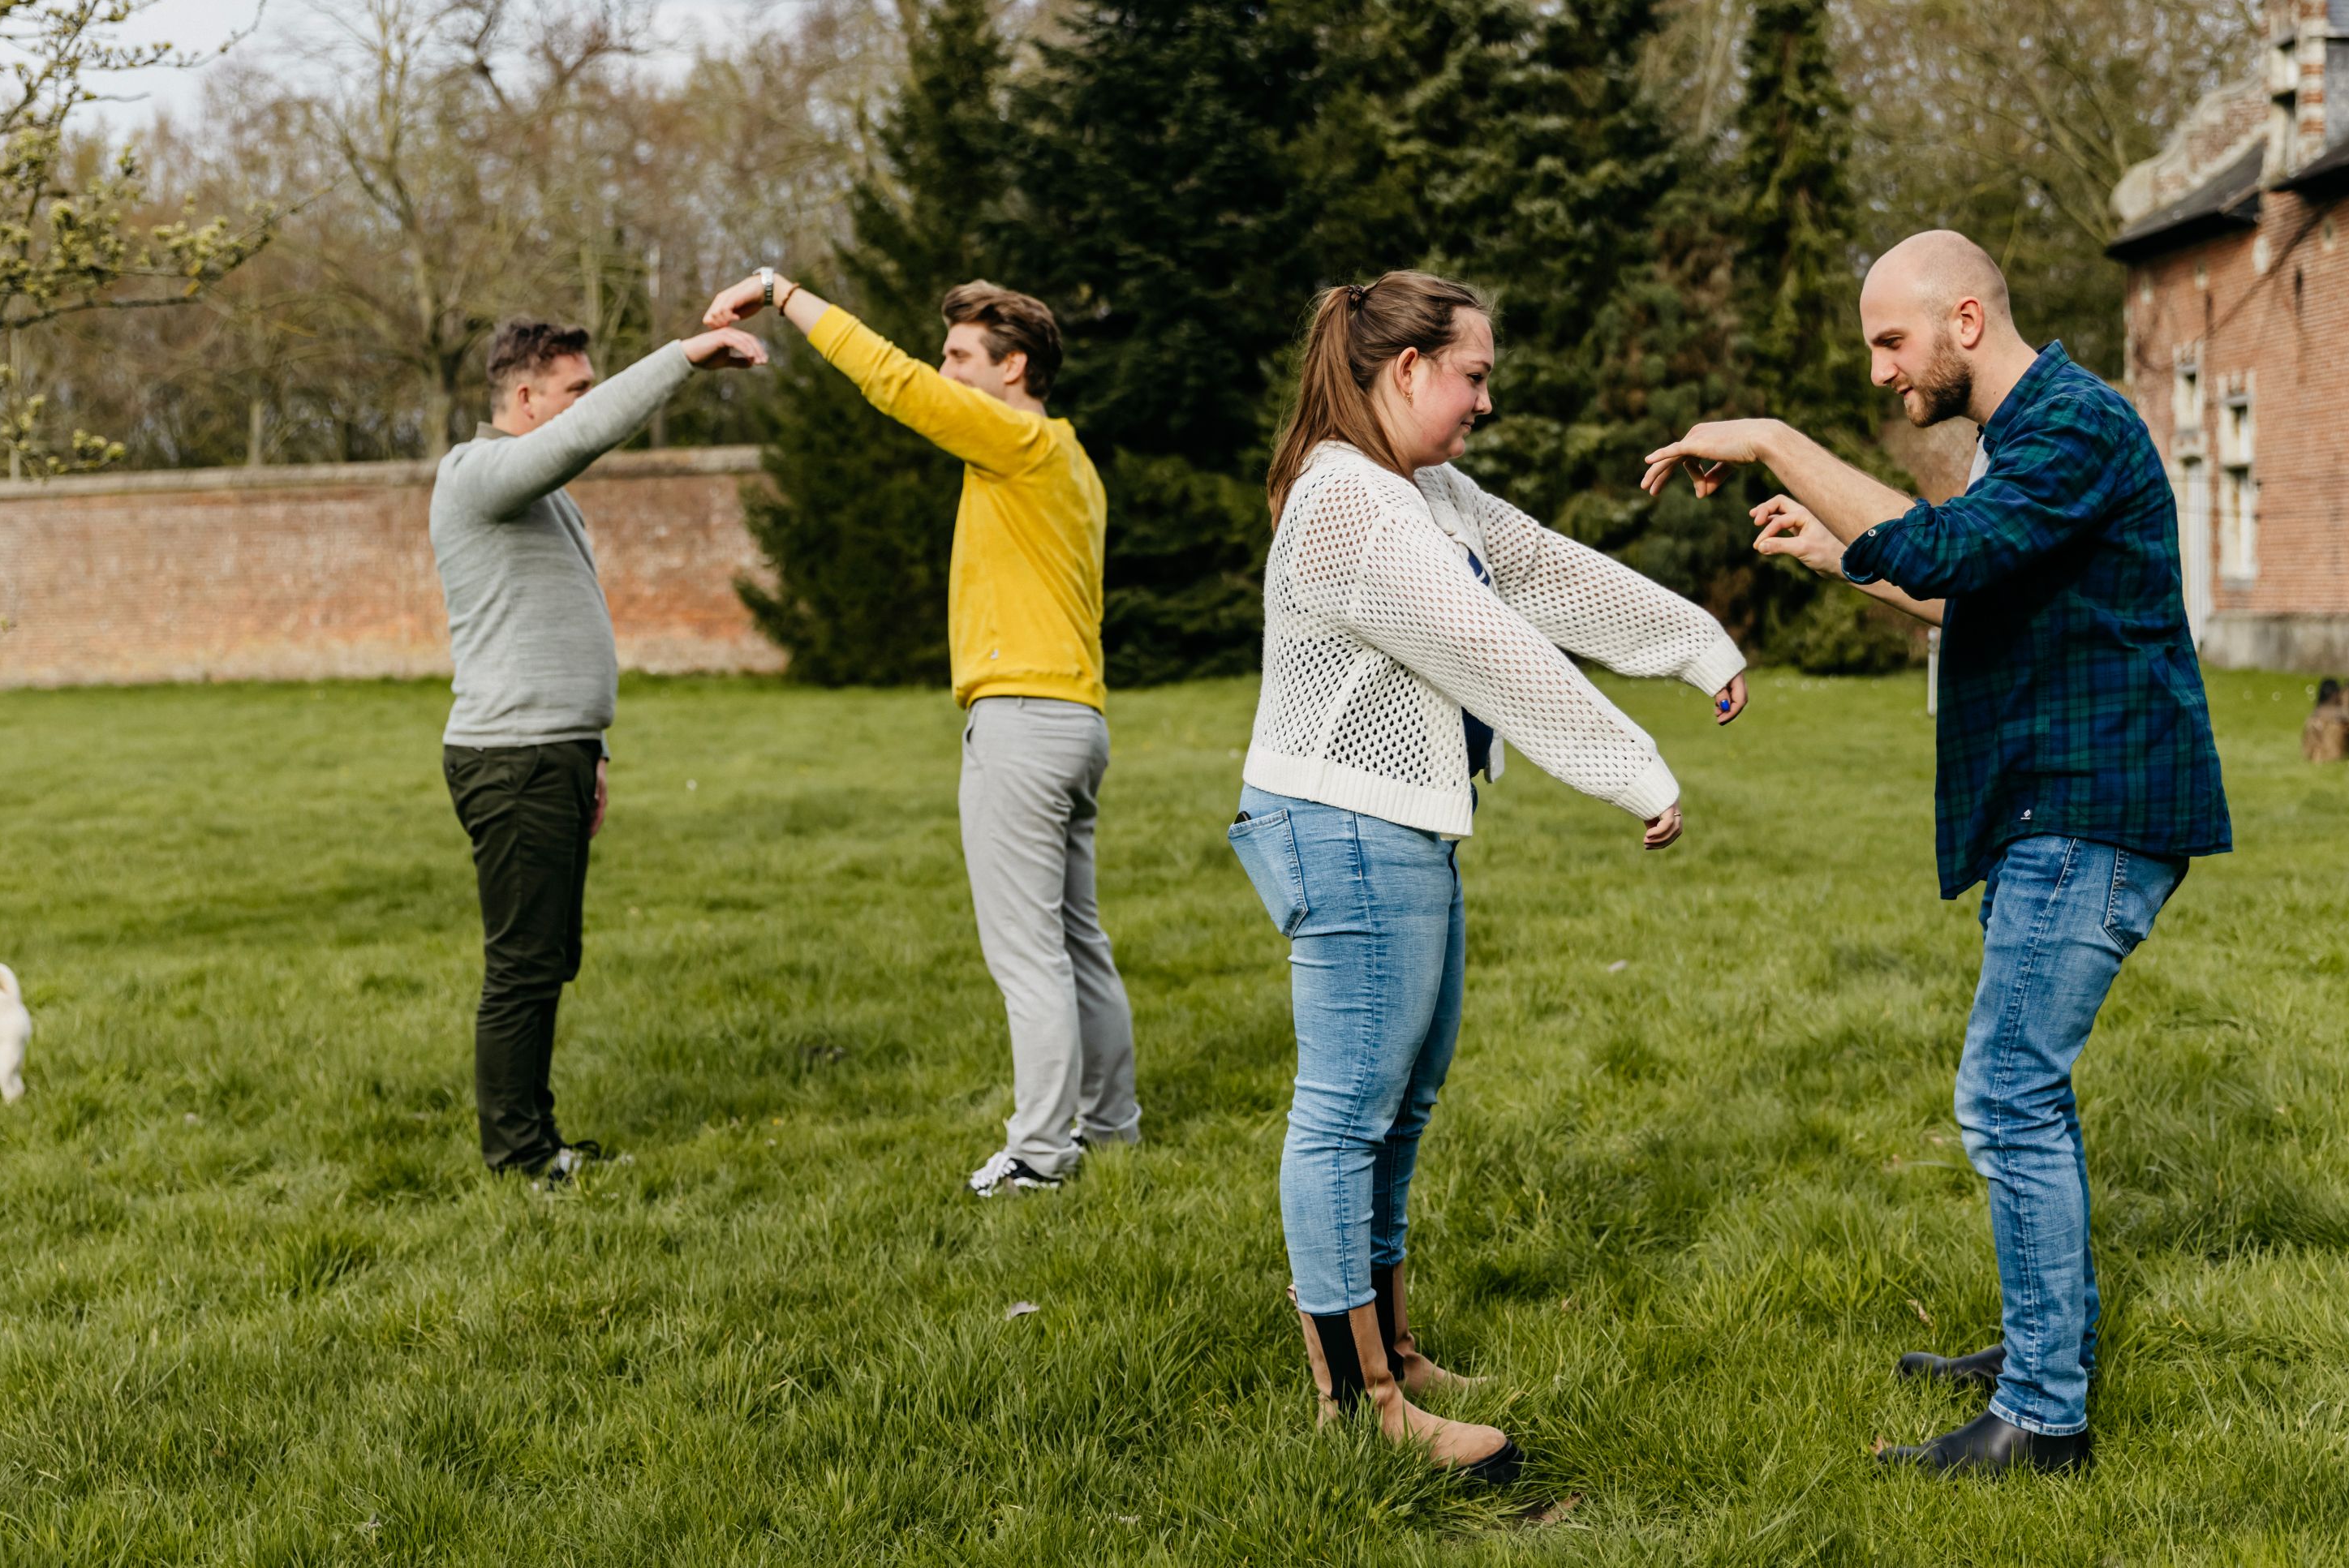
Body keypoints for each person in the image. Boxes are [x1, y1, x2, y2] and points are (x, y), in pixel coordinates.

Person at [1642, 229, 2233, 1476]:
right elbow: (1969, 592)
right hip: (2051, 812)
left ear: (1966, 321)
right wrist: (1839, 551)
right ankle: (2039, 1346)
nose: (1878, 372)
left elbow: (1951, 551)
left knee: (2008, 1093)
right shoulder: (2027, 443)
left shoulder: (2075, 424)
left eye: (1888, 342)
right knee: (2021, 1092)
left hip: (2092, 813)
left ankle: (2044, 1416)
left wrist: (1768, 435)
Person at [1233, 271, 1749, 1483]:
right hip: (1343, 825)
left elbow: (1549, 575)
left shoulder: (1428, 492)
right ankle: (1354, 1402)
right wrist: (1632, 766)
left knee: (1397, 1110)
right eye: (1472, 377)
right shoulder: (1349, 501)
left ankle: (1396, 1353)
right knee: (1346, 1113)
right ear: (1404, 369)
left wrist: (1696, 644)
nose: (1482, 402)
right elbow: (1487, 648)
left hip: (1400, 827)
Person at [702, 268, 1138, 1198]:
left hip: (1020, 721)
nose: (942, 371)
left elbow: (890, 381)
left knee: (1027, 952)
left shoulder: (1013, 438)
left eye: (959, 356)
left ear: (1011, 366)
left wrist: (783, 295)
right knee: (1076, 940)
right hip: (1076, 718)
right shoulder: (1064, 457)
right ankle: (1111, 1127)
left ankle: (1040, 1156)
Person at [432, 315, 766, 1186]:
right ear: (525, 395)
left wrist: (598, 750)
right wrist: (686, 354)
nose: (587, 403)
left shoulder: (541, 496)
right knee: (521, 963)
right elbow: (587, 433)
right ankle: (519, 1159)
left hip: (557, 752)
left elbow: (562, 621)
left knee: (547, 958)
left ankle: (539, 1139)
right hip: (512, 757)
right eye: (576, 387)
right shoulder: (476, 474)